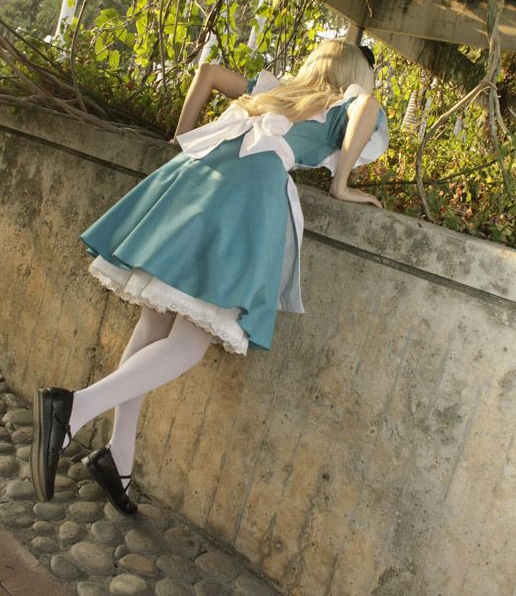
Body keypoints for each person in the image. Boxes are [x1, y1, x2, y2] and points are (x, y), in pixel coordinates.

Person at [30, 39, 389, 516]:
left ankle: (118, 455)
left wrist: (184, 137)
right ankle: (71, 410)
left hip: (199, 173)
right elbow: (367, 103)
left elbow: (211, 72)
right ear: (355, 73)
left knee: (153, 324)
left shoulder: (274, 88)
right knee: (193, 338)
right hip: (246, 194)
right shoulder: (345, 102)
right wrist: (341, 186)